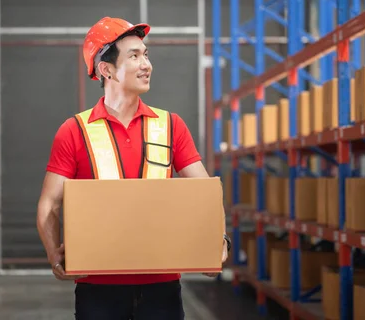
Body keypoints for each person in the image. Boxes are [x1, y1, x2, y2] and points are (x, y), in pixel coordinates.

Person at [36, 17, 230, 319]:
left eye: (146, 54)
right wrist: (53, 252)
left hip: (162, 288)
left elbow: (204, 195)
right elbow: (49, 202)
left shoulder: (170, 126)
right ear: (106, 69)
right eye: (134, 56)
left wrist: (216, 242)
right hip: (97, 289)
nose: (146, 64)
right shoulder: (74, 131)